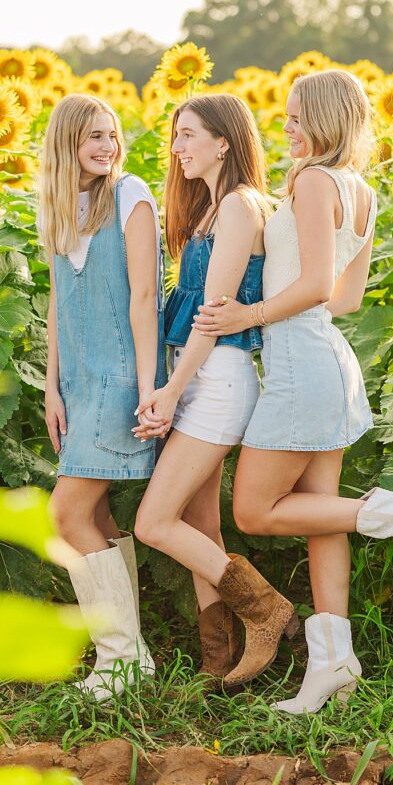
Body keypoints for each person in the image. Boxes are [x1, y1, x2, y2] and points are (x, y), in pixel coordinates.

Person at [193, 69, 393, 713]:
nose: (285, 130)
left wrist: (249, 315)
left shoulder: (312, 183)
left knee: (254, 511)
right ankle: (333, 663)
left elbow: (315, 286)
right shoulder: (361, 190)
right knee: (319, 516)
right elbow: (348, 297)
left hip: (300, 368)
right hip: (328, 362)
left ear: (325, 119)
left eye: (294, 119)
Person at [132, 93, 299, 687]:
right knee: (201, 525)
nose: (176, 149)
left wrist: (173, 389)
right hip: (201, 375)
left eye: (188, 135)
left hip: (219, 379)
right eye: (175, 137)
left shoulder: (236, 207)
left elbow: (214, 311)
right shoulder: (211, 208)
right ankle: (217, 662)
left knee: (154, 522)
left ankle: (265, 609)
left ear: (224, 141)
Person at [38, 93, 166, 702]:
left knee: (64, 516)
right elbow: (61, 304)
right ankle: (127, 657)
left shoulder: (130, 195)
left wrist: (148, 388)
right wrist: (51, 387)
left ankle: (122, 657)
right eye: (93, 136)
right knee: (95, 517)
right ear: (66, 141)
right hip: (79, 385)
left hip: (121, 379)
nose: (107, 146)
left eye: (112, 135)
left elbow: (146, 298)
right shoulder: (66, 206)